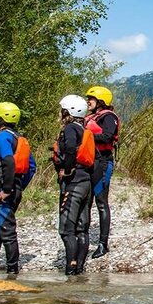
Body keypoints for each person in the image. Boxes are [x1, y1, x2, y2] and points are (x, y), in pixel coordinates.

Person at [0, 102, 36, 274]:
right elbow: (32, 167)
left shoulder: (2, 137)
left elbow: (8, 161)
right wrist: (19, 187)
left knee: (7, 231)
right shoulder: (19, 139)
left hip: (4, 190)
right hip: (15, 186)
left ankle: (13, 272)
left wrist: (7, 190)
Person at [54, 94, 95, 275]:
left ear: (68, 111)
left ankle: (71, 269)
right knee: (81, 228)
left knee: (66, 228)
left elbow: (70, 149)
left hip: (74, 182)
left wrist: (67, 170)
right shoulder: (84, 129)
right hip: (86, 182)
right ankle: (79, 268)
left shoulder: (71, 128)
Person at [84, 86, 120, 259]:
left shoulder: (108, 117)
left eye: (90, 99)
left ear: (100, 101)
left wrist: (86, 136)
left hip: (104, 163)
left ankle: (103, 244)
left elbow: (107, 136)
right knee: (87, 201)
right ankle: (82, 238)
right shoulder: (90, 117)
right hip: (90, 162)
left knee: (101, 202)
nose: (87, 101)